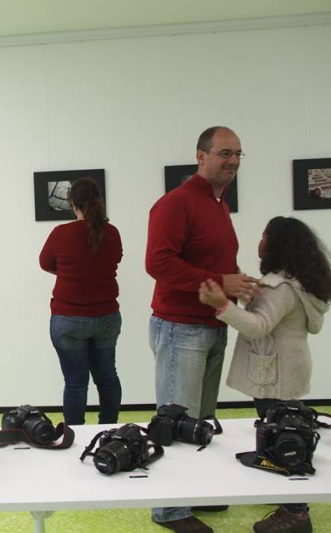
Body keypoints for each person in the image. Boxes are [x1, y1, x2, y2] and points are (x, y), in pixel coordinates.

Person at [145, 126, 260, 533]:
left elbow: (211, 264)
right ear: (201, 156)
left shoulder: (218, 204)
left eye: (238, 154)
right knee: (176, 422)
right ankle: (169, 510)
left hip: (211, 325)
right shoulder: (176, 203)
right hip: (180, 328)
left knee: (202, 420)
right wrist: (220, 281)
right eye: (225, 153)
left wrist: (237, 286)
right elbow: (158, 263)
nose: (233, 161)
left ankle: (193, 490)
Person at [199, 216, 330, 533]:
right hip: (287, 367)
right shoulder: (295, 283)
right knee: (284, 430)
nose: (260, 241)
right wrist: (251, 297)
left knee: (286, 438)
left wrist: (223, 305)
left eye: (264, 235)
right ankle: (283, 489)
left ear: (277, 245)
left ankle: (296, 513)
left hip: (276, 373)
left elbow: (259, 326)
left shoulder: (280, 288)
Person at [39, 177, 123, 425]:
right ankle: (109, 431)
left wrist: (69, 273)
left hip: (69, 320)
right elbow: (114, 260)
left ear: (72, 203)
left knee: (75, 383)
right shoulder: (112, 233)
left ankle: (74, 436)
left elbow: (45, 263)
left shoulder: (61, 233)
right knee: (108, 378)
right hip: (107, 319)